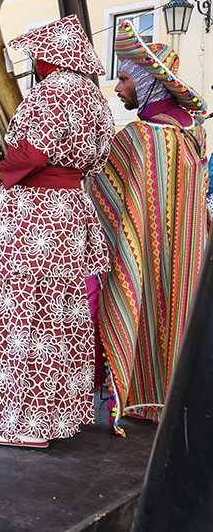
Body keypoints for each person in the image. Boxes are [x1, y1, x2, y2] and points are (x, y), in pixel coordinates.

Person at [0, 15, 113, 448]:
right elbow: (94, 161)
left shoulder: (49, 94)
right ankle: (58, 418)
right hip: (69, 215)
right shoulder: (95, 99)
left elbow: (30, 155)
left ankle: (20, 426)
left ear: (51, 56)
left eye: (36, 55)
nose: (31, 64)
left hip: (34, 219)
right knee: (61, 323)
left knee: (22, 321)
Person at [88, 24, 209, 434]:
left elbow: (97, 194)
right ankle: (175, 401)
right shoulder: (195, 135)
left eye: (124, 78)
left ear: (146, 82)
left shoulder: (138, 136)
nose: (118, 86)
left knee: (141, 310)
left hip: (142, 254)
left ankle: (141, 398)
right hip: (189, 256)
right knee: (178, 318)